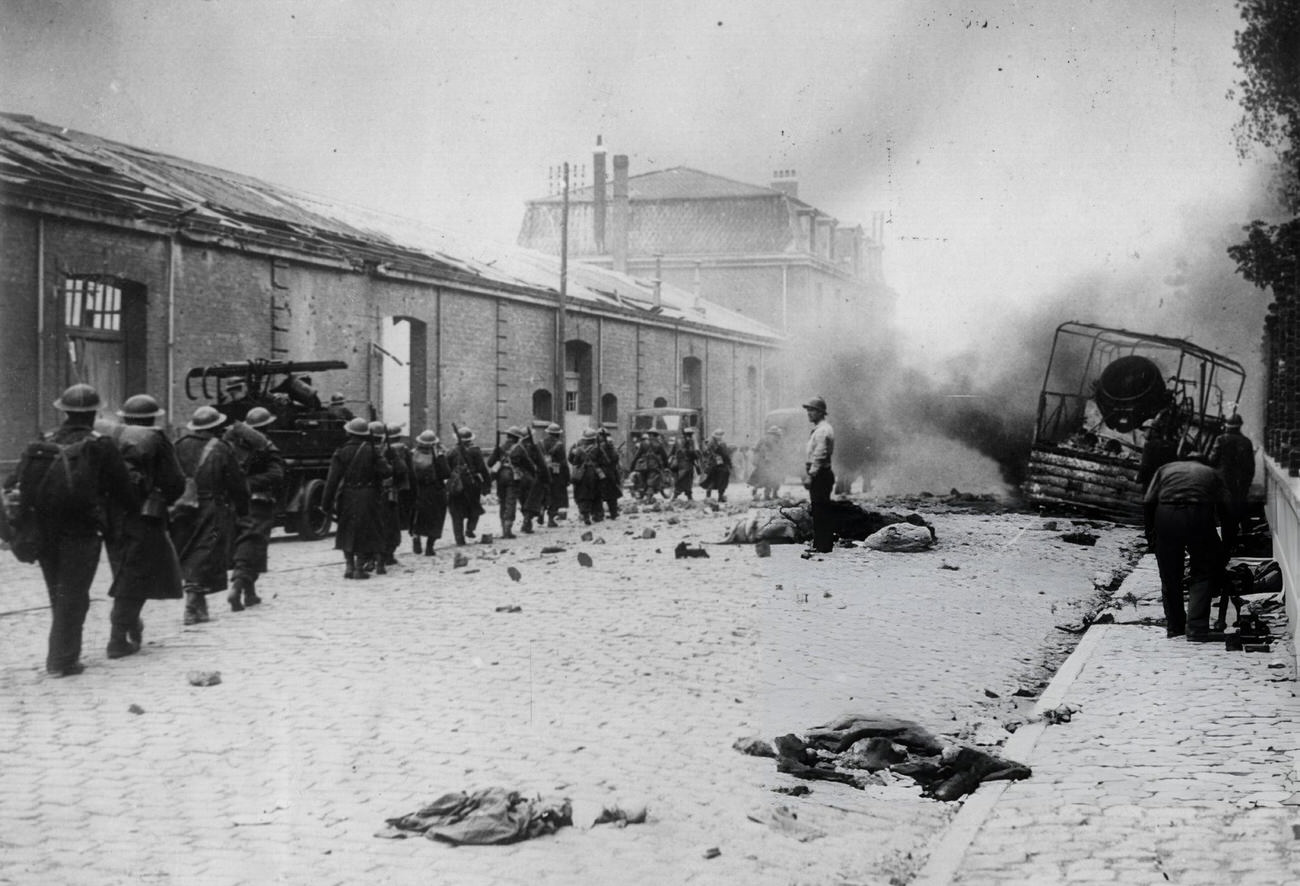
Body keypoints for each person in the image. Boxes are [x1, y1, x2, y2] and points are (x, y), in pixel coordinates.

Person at [4, 384, 136, 676]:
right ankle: (62, 660)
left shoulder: (42, 443)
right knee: (75, 594)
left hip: (44, 530)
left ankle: (63, 652)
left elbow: (14, 481)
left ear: (63, 411)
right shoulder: (100, 445)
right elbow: (124, 491)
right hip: (82, 530)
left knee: (58, 591)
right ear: (94, 413)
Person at [103, 394, 186, 658]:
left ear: (124, 417)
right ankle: (118, 637)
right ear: (152, 418)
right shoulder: (156, 439)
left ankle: (128, 624)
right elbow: (175, 481)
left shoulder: (111, 437)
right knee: (136, 575)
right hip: (145, 516)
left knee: (123, 570)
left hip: (113, 517)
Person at [172, 405, 249, 624]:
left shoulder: (179, 446)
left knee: (190, 551)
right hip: (211, 507)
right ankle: (192, 604)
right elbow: (236, 482)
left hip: (184, 507)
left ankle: (199, 606)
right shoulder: (222, 448)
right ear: (215, 427)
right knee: (205, 553)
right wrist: (243, 510)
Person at [1144, 453, 1230, 641]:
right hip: (1198, 517)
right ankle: (1196, 628)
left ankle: (1175, 627)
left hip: (1166, 517)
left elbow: (1148, 501)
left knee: (1169, 575)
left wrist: (1150, 534)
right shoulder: (1211, 473)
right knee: (1204, 570)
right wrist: (1226, 543)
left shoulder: (1165, 469)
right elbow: (1226, 506)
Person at [222, 406, 285, 611]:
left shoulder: (231, 445)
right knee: (254, 545)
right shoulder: (267, 447)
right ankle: (238, 587)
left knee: (244, 542)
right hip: (259, 502)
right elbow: (277, 475)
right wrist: (249, 484)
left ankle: (250, 593)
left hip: (234, 502)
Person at [322, 417, 392, 579]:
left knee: (347, 529)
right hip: (368, 495)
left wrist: (325, 504)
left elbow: (332, 480)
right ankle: (359, 568)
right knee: (365, 530)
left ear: (349, 433)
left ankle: (349, 566)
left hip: (347, 495)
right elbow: (386, 472)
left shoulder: (341, 451)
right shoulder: (372, 450)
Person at [1207, 413, 1255, 553]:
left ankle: (1227, 546)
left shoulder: (1221, 439)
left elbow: (1212, 459)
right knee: (1238, 513)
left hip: (1223, 485)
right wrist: (1246, 484)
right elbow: (1250, 467)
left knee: (1224, 516)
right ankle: (1235, 543)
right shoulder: (1246, 442)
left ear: (1227, 426)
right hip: (1240, 486)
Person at [446, 426, 491, 545]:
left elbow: (446, 470)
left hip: (456, 486)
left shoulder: (451, 452)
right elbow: (482, 468)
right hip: (472, 484)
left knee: (456, 513)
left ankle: (459, 539)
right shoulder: (475, 451)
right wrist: (487, 485)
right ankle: (470, 529)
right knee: (474, 508)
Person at [409, 430, 450, 555]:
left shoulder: (412, 454)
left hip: (417, 490)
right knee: (436, 518)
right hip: (435, 490)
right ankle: (429, 547)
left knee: (417, 516)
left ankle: (416, 536)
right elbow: (446, 473)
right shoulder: (438, 456)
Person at [803, 396, 836, 554]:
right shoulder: (819, 429)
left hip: (820, 474)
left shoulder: (823, 430)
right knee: (818, 509)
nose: (809, 413)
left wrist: (811, 474)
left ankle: (823, 545)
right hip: (820, 473)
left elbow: (820, 455)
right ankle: (821, 543)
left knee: (820, 509)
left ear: (821, 412)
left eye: (812, 410)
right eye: (808, 410)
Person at [381, 423, 412, 566]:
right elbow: (406, 470)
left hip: (381, 491)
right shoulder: (403, 449)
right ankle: (388, 554)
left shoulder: (381, 449)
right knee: (395, 522)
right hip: (398, 489)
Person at [510, 425, 548, 533]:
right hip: (533, 477)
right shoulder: (534, 447)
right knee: (533, 501)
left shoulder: (517, 447)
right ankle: (528, 521)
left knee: (523, 500)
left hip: (519, 478)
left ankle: (527, 522)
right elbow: (542, 463)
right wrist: (547, 478)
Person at [488, 427, 524, 538]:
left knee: (503, 503)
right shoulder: (519, 449)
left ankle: (503, 528)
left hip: (500, 477)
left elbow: (489, 463)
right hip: (512, 478)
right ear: (517, 438)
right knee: (511, 502)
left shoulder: (500, 448)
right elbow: (528, 463)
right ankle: (508, 530)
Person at [568, 428, 606, 524]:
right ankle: (597, 515)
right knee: (597, 494)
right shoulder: (598, 449)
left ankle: (585, 516)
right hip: (595, 474)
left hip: (582, 475)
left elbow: (574, 462)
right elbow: (605, 461)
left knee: (583, 494)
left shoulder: (579, 450)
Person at [543, 423, 570, 527]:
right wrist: (567, 478)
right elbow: (563, 463)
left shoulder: (542, 443)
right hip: (556, 474)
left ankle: (541, 512)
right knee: (555, 496)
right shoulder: (559, 445)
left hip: (544, 472)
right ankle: (551, 518)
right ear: (558, 434)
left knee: (544, 494)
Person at [749, 425, 785, 501]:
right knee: (768, 479)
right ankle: (767, 494)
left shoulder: (774, 440)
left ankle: (771, 494)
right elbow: (765, 451)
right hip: (767, 463)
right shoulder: (768, 440)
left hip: (771, 462)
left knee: (773, 479)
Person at [630, 429, 669, 500]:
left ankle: (642, 494)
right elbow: (664, 456)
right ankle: (648, 498)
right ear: (656, 435)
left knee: (643, 481)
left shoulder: (643, 443)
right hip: (653, 466)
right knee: (651, 481)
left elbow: (637, 455)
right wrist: (666, 466)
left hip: (643, 466)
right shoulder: (658, 444)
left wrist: (632, 466)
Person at [699, 429, 734, 502]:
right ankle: (720, 497)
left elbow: (705, 454)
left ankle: (708, 496)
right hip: (721, 466)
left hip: (712, 466)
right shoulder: (721, 444)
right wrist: (730, 464)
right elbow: (725, 455)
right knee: (723, 481)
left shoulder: (709, 443)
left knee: (712, 481)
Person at [597, 427, 623, 519]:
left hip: (600, 473)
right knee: (612, 495)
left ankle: (599, 515)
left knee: (599, 494)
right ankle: (614, 513)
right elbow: (616, 458)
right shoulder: (611, 447)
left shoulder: (598, 447)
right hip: (611, 472)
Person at [669, 428, 701, 500]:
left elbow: (672, 452)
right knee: (686, 480)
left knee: (680, 479)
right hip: (687, 464)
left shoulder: (677, 441)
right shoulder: (690, 441)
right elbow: (691, 452)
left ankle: (688, 496)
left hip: (678, 464)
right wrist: (697, 456)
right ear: (690, 434)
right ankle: (676, 496)